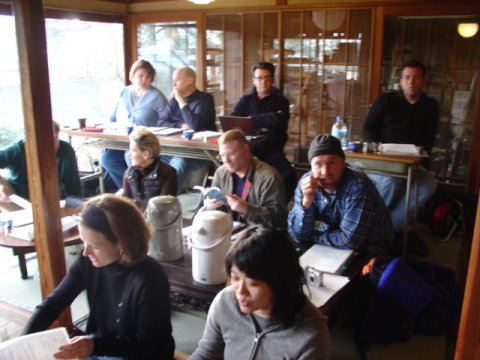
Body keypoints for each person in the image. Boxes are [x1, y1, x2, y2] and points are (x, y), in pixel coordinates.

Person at [22, 194, 175, 359]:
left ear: (121, 243)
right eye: (83, 242)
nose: (85, 252)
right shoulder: (88, 261)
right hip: (101, 346)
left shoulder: (150, 278)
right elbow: (52, 305)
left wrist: (94, 346)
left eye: (94, 246)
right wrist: (21, 343)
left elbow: (149, 345)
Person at [189, 225, 330, 360]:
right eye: (235, 277)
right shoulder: (225, 301)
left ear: (279, 283)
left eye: (253, 284)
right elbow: (206, 354)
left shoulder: (311, 335)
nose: (240, 291)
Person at [362, 60, 438, 255]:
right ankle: (372, 227)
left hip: (411, 161)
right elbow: (368, 129)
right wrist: (375, 148)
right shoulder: (386, 100)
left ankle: (391, 228)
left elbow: (429, 138)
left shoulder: (430, 106)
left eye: (416, 78)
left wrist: (424, 156)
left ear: (424, 81)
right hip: (383, 161)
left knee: (428, 183)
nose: (411, 82)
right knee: (390, 179)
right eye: (407, 78)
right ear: (400, 81)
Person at [288, 134, 393, 260]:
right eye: (318, 164)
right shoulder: (306, 183)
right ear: (311, 166)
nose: (325, 171)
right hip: (331, 240)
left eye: (331, 162)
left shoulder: (358, 186)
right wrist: (307, 201)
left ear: (343, 164)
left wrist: (312, 236)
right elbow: (297, 234)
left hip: (369, 246)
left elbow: (349, 241)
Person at [231, 61, 297, 203]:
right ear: (254, 80)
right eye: (259, 78)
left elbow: (279, 119)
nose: (263, 81)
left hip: (272, 152)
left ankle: (276, 210)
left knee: (289, 176)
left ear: (272, 80)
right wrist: (264, 122)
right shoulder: (245, 101)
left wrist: (251, 121)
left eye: (267, 77)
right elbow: (233, 121)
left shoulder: (281, 101)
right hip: (248, 151)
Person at [100, 59, 168, 190]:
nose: (144, 79)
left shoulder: (157, 96)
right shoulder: (124, 92)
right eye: (140, 76)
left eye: (148, 76)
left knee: (130, 155)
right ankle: (128, 188)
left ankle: (137, 191)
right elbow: (112, 117)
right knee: (106, 158)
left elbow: (166, 120)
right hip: (121, 139)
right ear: (133, 76)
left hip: (143, 142)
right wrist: (106, 139)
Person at [204, 129, 287, 231]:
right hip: (228, 230)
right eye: (222, 155)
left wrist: (246, 209)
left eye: (231, 154)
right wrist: (209, 206)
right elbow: (215, 210)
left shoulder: (268, 177)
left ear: (246, 149)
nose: (226, 161)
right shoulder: (221, 173)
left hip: (257, 235)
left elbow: (278, 221)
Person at [158, 66, 216, 192]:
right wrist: (180, 126)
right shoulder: (174, 100)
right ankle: (150, 196)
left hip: (198, 152)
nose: (173, 84)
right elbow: (161, 122)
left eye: (177, 80)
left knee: (179, 161)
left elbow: (195, 125)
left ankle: (166, 200)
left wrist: (180, 100)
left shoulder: (205, 99)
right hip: (176, 147)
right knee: (147, 155)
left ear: (190, 80)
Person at [0, 120, 82, 203]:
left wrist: (77, 209)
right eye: (43, 141)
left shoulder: (66, 151)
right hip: (17, 198)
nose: (50, 145)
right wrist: (1, 186)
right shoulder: (18, 150)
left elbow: (74, 187)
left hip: (47, 200)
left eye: (54, 139)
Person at [121, 128, 177, 211]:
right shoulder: (129, 173)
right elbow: (124, 204)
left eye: (133, 151)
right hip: (134, 218)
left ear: (145, 154)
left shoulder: (168, 174)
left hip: (157, 221)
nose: (129, 154)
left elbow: (162, 208)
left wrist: (133, 203)